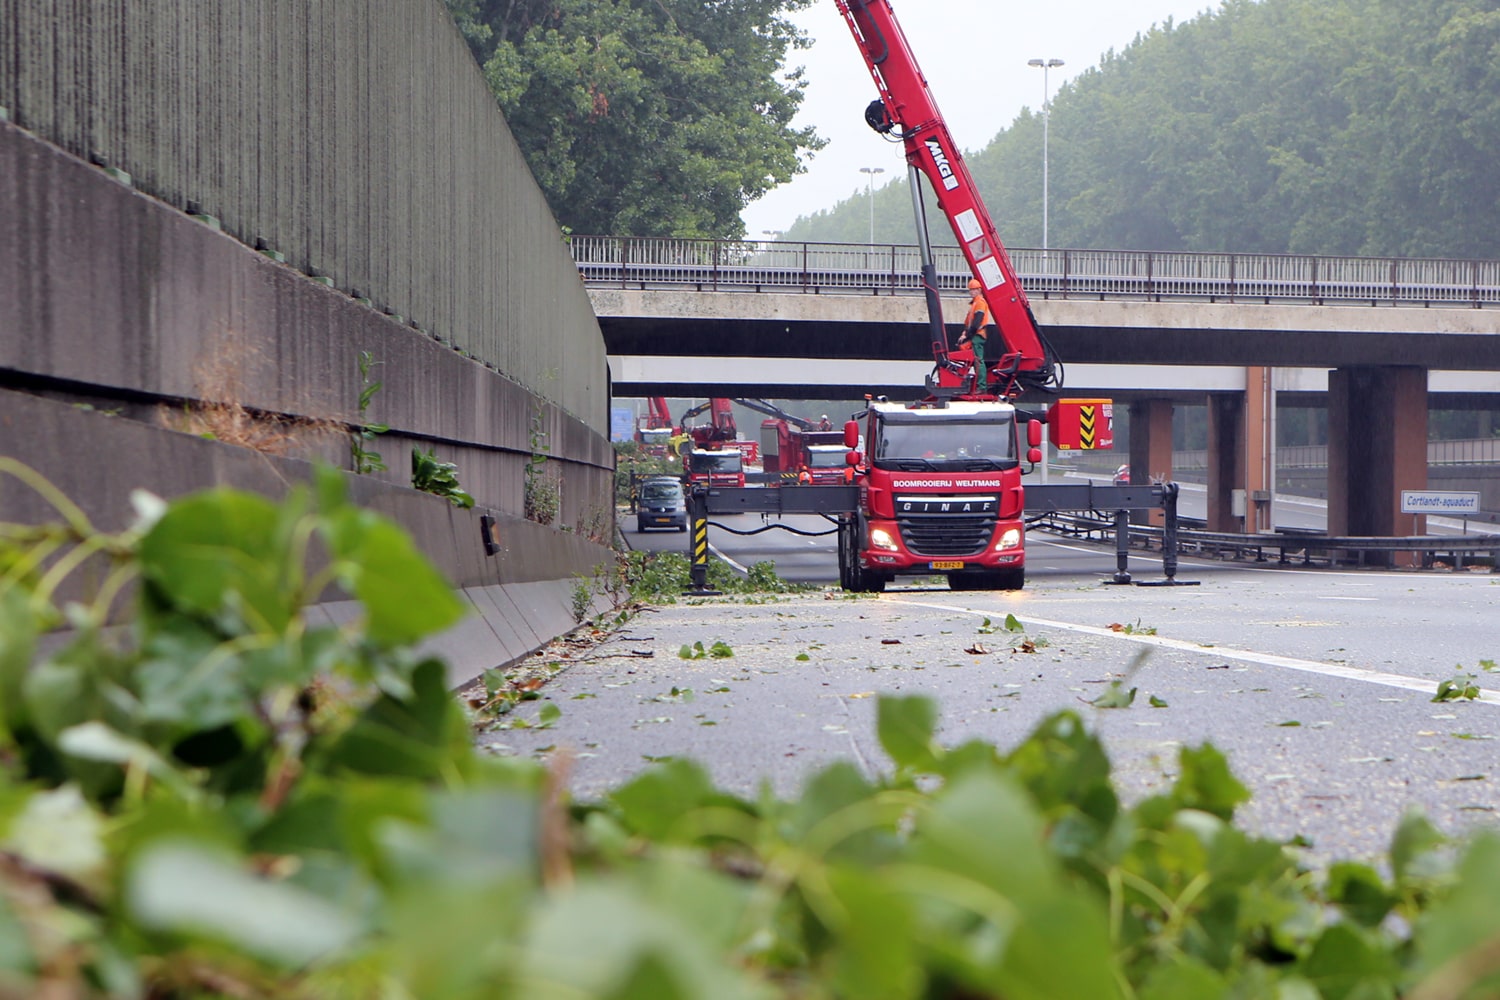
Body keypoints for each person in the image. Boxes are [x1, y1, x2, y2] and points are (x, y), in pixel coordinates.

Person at [955, 277, 995, 393]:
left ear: (979, 290)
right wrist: (965, 334)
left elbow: (977, 322)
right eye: (970, 290)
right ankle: (978, 384)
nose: (971, 292)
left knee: (978, 360)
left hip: (977, 336)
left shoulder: (980, 303)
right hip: (974, 335)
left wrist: (967, 336)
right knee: (974, 359)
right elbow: (970, 323)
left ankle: (981, 387)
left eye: (973, 289)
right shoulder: (975, 304)